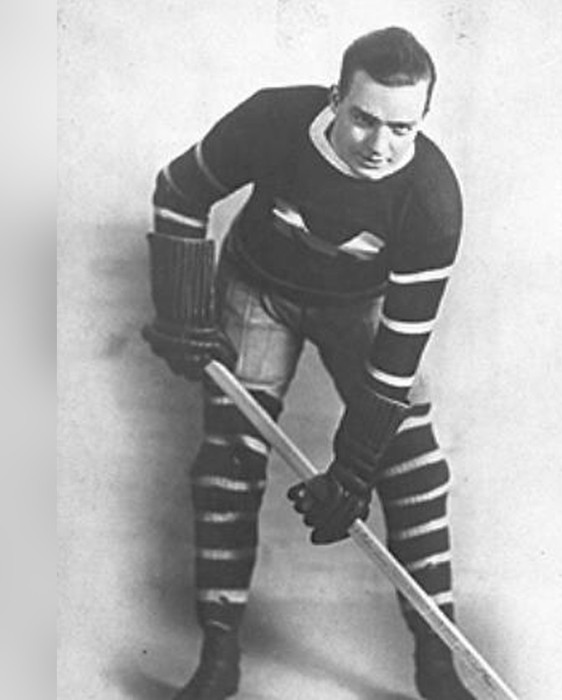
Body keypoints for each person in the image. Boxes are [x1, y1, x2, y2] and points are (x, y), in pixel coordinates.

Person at [143, 26, 474, 700]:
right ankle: (218, 659)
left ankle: (439, 670)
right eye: (364, 119)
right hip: (257, 290)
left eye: (402, 129)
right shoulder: (273, 119)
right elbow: (179, 191)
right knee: (230, 460)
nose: (379, 145)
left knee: (413, 464)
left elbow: (395, 364)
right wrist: (184, 313)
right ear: (335, 98)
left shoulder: (433, 201)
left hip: (360, 309)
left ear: (424, 119)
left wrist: (352, 469)